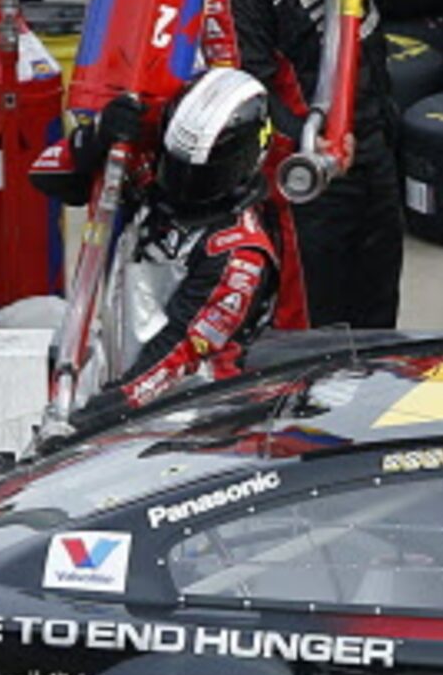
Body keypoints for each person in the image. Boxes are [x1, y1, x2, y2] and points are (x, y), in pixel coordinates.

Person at [197, 0, 408, 328]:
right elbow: (246, 92)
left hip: (375, 141)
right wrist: (309, 150)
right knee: (317, 319)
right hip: (309, 171)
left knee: (379, 304)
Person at [43, 67, 306, 431]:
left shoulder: (240, 253)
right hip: (119, 367)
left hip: (193, 416)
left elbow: (178, 351)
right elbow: (45, 176)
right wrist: (99, 134)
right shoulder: (154, 180)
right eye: (177, 167)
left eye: (201, 175)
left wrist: (99, 415)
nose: (182, 185)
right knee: (24, 319)